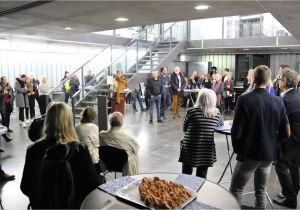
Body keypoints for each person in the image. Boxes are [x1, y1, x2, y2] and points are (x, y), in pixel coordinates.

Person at [229, 65, 290, 209]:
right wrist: (273, 143)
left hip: (249, 153)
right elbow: (286, 132)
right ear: (269, 80)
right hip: (268, 155)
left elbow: (237, 130)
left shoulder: (244, 99)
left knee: (236, 190)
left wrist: (238, 149)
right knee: (261, 191)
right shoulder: (278, 101)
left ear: (253, 79)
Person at [20, 102, 100, 209]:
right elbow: (91, 188)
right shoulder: (79, 151)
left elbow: (25, 187)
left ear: (47, 121)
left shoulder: (32, 150)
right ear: (69, 122)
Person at [179, 89, 223, 178]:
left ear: (199, 99)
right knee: (202, 176)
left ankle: (184, 190)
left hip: (190, 147)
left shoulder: (191, 111)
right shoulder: (217, 113)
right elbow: (220, 124)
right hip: (206, 148)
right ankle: (199, 191)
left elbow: (184, 128)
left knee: (186, 173)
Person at [273, 68, 300, 209]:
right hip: (298, 139)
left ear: (284, 83)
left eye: (279, 79)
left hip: (291, 139)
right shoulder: (298, 93)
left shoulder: (285, 100)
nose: (278, 81)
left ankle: (290, 199)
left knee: (281, 166)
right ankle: (292, 192)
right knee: (294, 167)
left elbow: (279, 123)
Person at [75, 107, 101, 174]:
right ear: (93, 117)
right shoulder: (93, 127)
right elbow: (96, 144)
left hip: (78, 158)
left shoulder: (76, 127)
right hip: (91, 159)